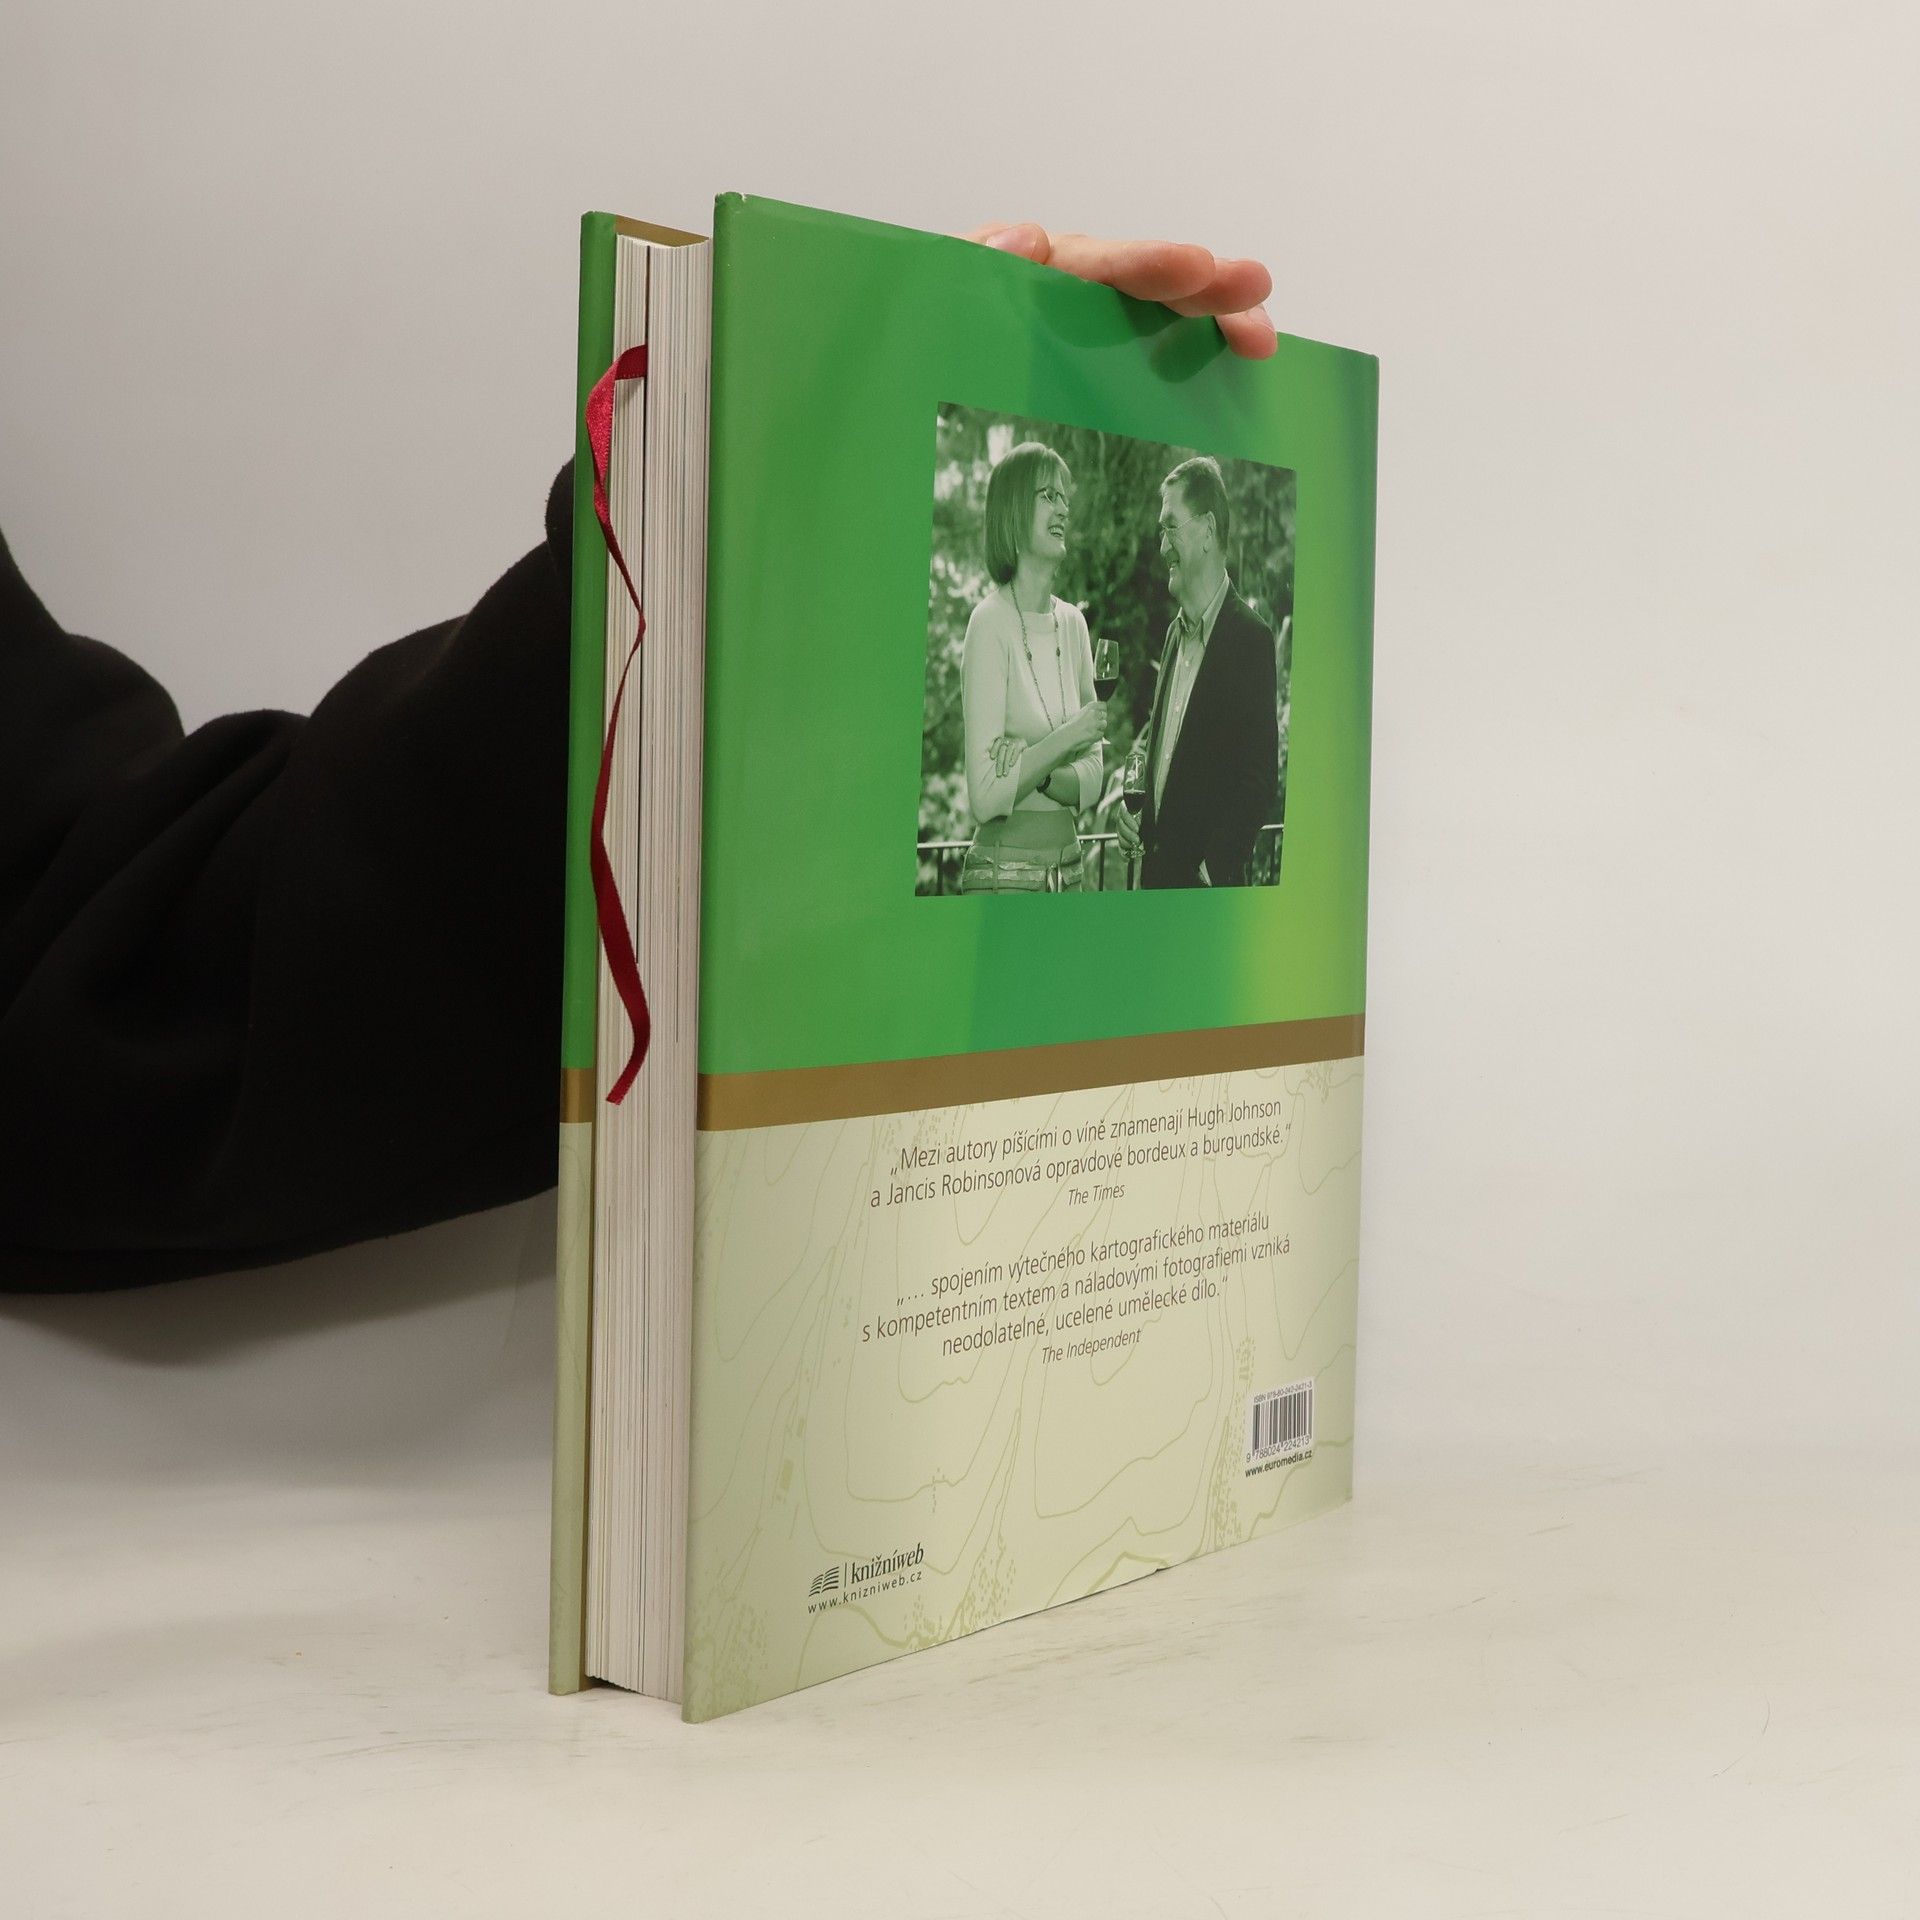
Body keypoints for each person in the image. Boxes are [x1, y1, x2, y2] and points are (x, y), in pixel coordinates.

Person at [0, 225, 1274, 1291]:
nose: (1082, 518)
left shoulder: (1105, 632)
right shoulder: (1000, 628)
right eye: (1053, 499)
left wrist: (755, 545)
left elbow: (90, 937)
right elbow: (1008, 789)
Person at [1112, 455, 1279, 888]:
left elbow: (1259, 779)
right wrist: (1134, 818)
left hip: (1206, 899)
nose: (1162, 546)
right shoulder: (1173, 636)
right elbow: (1166, 758)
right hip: (1155, 891)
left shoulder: (1251, 639)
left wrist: (1208, 872)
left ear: (1206, 530)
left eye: (1170, 526)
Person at [957, 442, 1105, 893]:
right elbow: (985, 797)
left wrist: (1030, 768)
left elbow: (1094, 778)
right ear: (1014, 511)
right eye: (1048, 495)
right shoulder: (988, 623)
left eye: (1063, 497)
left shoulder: (1074, 625)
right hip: (1004, 878)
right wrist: (1069, 738)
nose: (1063, 509)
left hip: (1071, 875)